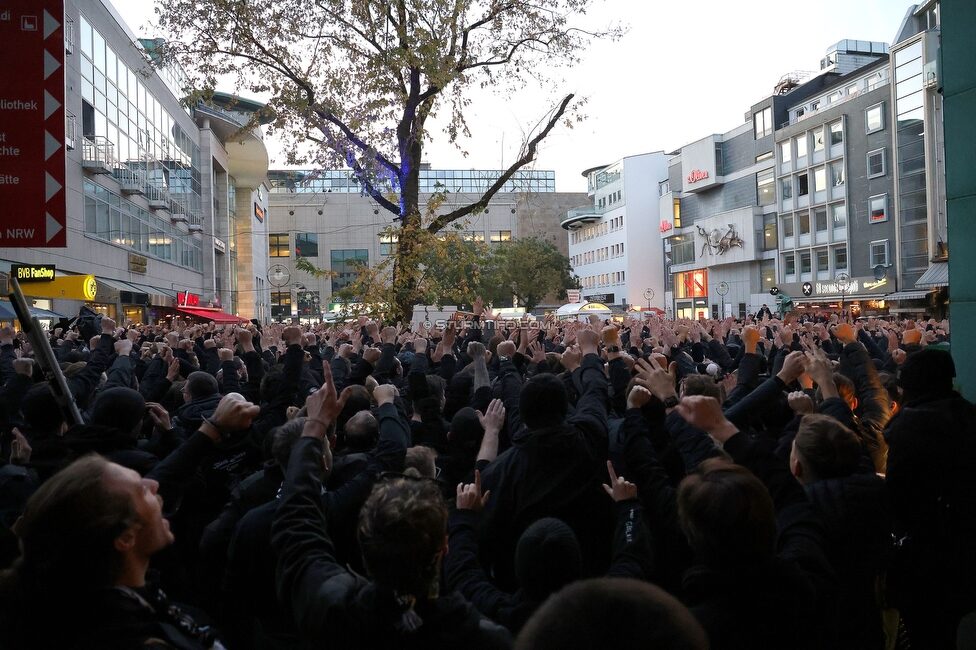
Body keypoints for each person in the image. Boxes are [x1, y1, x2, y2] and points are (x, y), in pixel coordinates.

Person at [271, 363, 511, 649]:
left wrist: (314, 425)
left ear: (364, 542)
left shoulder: (333, 607)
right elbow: (467, 573)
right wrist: (465, 522)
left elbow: (296, 525)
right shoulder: (482, 635)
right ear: (444, 548)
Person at [0, 393, 260, 649]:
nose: (153, 483)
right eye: (140, 489)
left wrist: (210, 430)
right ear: (125, 538)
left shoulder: (107, 604)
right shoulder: (131, 637)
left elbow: (162, 477)